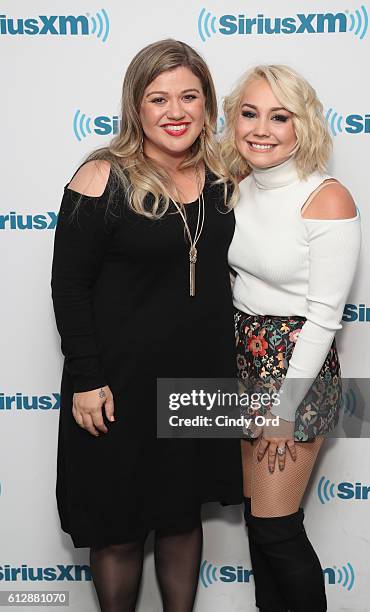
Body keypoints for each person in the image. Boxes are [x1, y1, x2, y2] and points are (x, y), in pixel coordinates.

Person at [51, 39, 243, 612]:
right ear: (135, 108)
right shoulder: (102, 176)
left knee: (183, 516)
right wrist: (86, 376)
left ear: (209, 105)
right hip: (117, 384)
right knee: (118, 525)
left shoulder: (225, 178)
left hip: (201, 376)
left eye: (189, 96)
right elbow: (69, 285)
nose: (175, 111)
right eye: (158, 98)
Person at [223, 65, 361, 611]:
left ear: (302, 126)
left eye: (279, 116)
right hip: (241, 363)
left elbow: (324, 318)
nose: (261, 128)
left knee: (275, 527)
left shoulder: (326, 198)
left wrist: (283, 408)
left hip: (294, 373)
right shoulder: (236, 190)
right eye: (249, 113)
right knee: (259, 530)